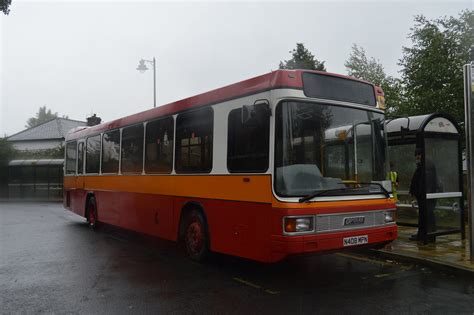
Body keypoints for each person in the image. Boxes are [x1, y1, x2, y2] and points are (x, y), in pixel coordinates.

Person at [409, 148, 437, 244]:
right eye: (416, 155)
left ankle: (429, 236)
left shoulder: (427, 164)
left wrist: (425, 194)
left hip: (427, 196)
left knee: (428, 216)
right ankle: (422, 234)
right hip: (422, 196)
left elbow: (427, 181)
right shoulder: (422, 164)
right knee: (422, 216)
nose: (417, 157)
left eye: (418, 155)